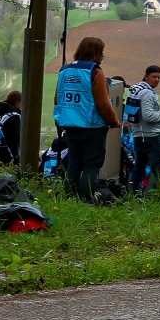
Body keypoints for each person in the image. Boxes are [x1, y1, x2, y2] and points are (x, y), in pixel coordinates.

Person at [53, 36, 121, 201]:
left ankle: (68, 197)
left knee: (74, 164)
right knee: (91, 166)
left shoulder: (64, 71)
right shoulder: (95, 72)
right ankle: (87, 199)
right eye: (101, 51)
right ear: (94, 52)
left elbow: (57, 99)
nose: (103, 55)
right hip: (92, 127)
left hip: (70, 125)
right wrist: (113, 122)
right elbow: (103, 104)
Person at [124, 65, 160, 194]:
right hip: (152, 136)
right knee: (156, 171)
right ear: (146, 76)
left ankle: (131, 194)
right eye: (154, 77)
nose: (156, 80)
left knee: (138, 168)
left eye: (159, 77)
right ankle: (151, 198)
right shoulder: (147, 93)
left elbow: (130, 113)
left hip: (138, 135)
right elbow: (148, 116)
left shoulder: (135, 90)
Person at [0, 90, 22, 166]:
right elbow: (16, 136)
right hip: (9, 152)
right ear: (17, 102)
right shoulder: (13, 116)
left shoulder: (0, 113)